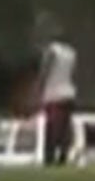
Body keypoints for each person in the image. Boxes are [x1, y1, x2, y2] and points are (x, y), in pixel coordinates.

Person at [32, 14, 79, 168]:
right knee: (64, 127)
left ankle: (50, 156)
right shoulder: (71, 52)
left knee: (52, 128)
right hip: (68, 92)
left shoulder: (52, 51)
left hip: (53, 94)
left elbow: (45, 71)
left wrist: (38, 89)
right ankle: (63, 154)